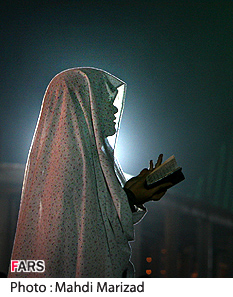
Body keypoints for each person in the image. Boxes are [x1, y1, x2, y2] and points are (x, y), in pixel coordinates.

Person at [9, 68, 171, 278]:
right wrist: (130, 197)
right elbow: (86, 240)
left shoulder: (83, 158)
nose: (114, 109)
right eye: (105, 100)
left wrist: (131, 195)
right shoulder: (72, 162)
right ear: (83, 104)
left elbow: (89, 223)